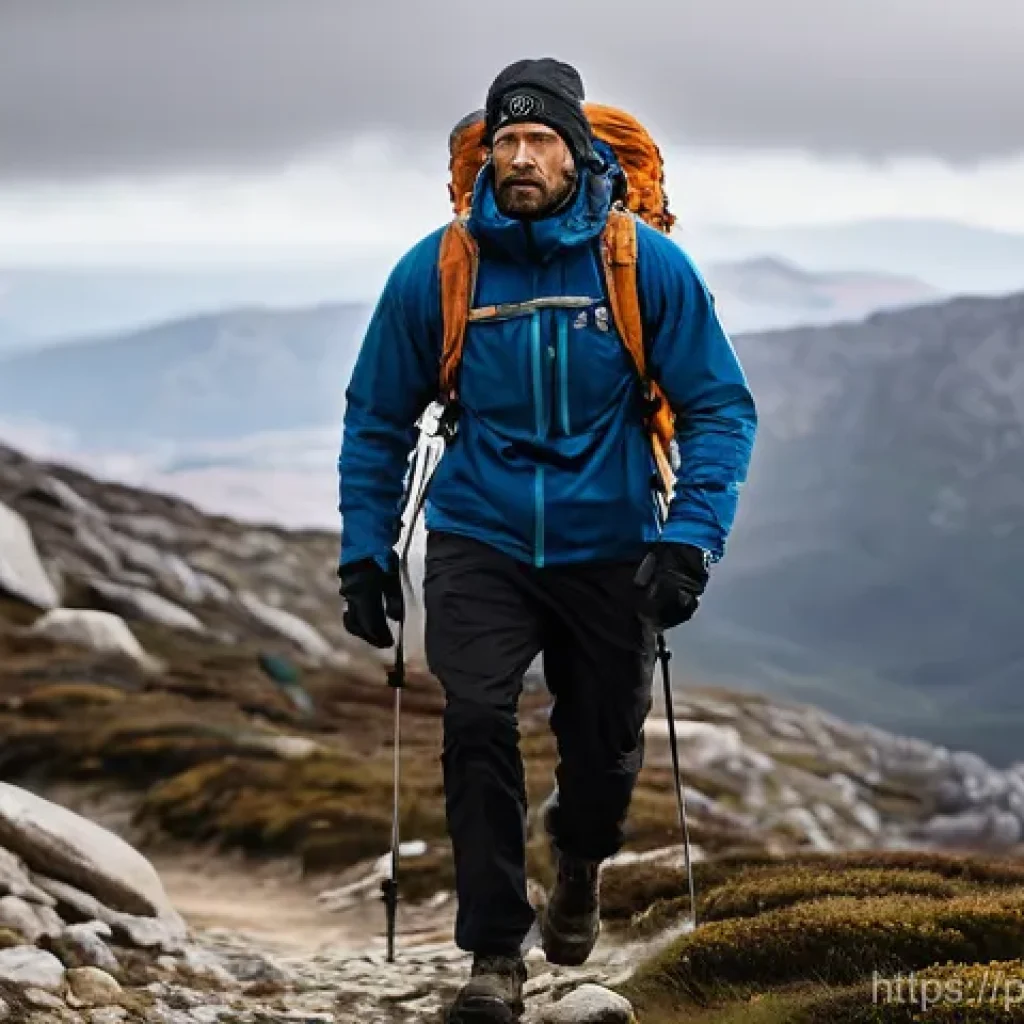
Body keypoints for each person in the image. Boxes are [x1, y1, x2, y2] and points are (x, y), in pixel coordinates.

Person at [337, 57, 757, 1023]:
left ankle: (579, 855)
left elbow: (720, 410)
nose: (520, 158)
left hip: (609, 537)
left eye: (540, 140)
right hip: (478, 534)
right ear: (487, 153)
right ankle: (494, 957)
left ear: (578, 151)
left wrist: (690, 539)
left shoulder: (641, 263)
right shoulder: (440, 267)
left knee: (603, 754)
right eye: (505, 141)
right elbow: (376, 417)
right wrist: (365, 550)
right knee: (476, 723)